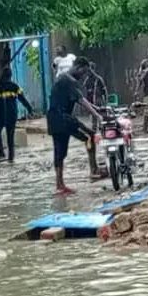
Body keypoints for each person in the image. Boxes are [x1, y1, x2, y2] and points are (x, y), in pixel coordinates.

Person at [47, 57, 103, 195]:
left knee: (59, 151)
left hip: (53, 119)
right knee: (90, 136)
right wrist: (97, 115)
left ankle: (59, 184)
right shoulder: (69, 80)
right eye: (83, 72)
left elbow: (78, 99)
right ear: (78, 67)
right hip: (64, 118)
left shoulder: (62, 78)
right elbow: (81, 100)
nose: (83, 75)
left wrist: (96, 108)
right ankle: (93, 170)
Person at [0, 68, 34, 163]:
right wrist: (30, 109)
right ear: (10, 76)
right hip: (12, 115)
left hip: (0, 115)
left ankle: (1, 154)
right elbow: (23, 99)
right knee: (10, 137)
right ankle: (11, 156)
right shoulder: (14, 86)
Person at [83, 62, 108, 177]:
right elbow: (84, 93)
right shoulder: (87, 80)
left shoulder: (99, 79)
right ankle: (94, 135)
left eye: (90, 69)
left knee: (101, 122)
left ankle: (102, 134)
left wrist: (106, 103)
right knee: (93, 125)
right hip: (91, 104)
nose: (89, 71)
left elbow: (105, 91)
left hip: (99, 103)